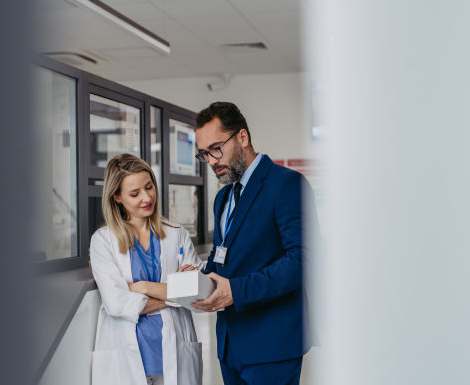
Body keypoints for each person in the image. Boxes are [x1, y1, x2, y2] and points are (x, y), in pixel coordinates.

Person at [191, 102, 322, 385]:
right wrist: (199, 277)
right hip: (230, 345)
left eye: (216, 148)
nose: (212, 161)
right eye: (204, 154)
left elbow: (303, 259)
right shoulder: (222, 198)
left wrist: (236, 291)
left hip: (272, 345)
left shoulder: (286, 184)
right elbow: (222, 256)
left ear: (242, 137)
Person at [90, 154, 205, 385]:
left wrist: (142, 287)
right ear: (117, 197)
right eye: (134, 194)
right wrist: (175, 293)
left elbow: (198, 295)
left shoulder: (177, 234)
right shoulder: (103, 241)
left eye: (149, 187)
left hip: (174, 350)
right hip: (127, 354)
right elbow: (116, 303)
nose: (147, 197)